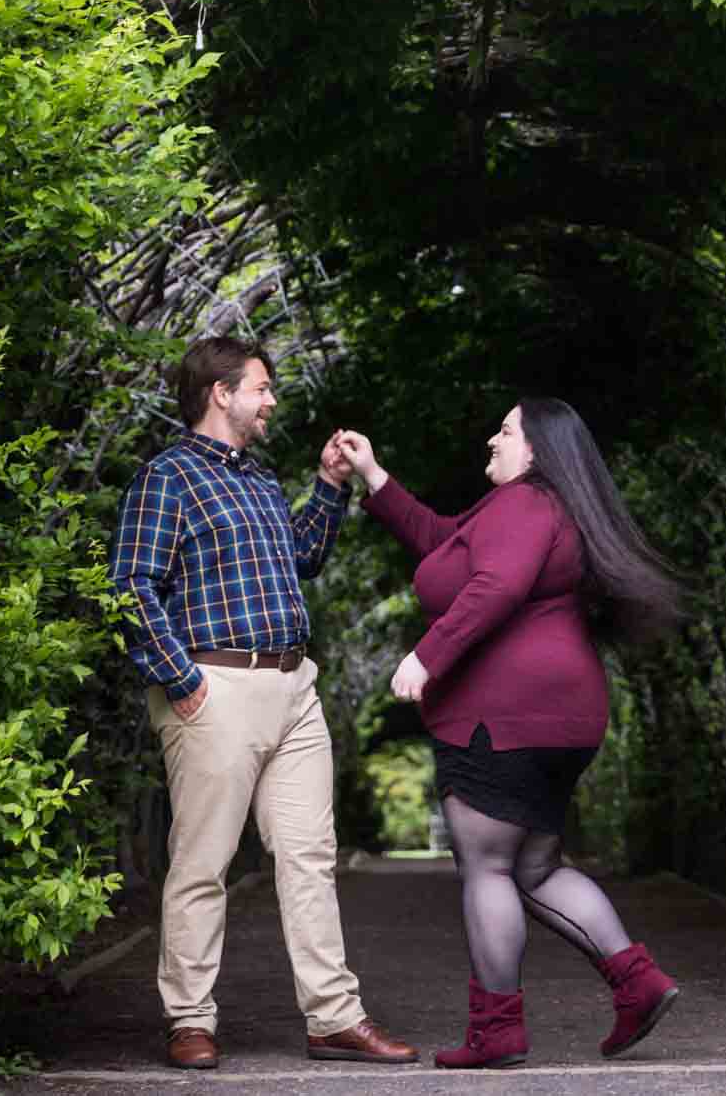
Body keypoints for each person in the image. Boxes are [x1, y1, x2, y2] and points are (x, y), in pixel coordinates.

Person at [337, 399, 684, 1069]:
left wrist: (427, 655)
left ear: (539, 450)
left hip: (503, 714)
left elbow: (495, 584)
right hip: (560, 713)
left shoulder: (527, 505)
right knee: (535, 865)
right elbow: (444, 542)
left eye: (505, 429)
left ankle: (496, 1029)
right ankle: (637, 982)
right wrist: (375, 477)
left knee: (488, 866)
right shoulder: (524, 508)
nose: (491, 437)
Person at [108, 336, 418, 1071]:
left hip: (292, 686)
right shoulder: (167, 479)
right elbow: (129, 585)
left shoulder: (260, 479)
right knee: (202, 862)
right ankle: (189, 1017)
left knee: (309, 857)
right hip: (216, 687)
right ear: (222, 392)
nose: (272, 399)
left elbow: (302, 556)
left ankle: (334, 1017)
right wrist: (182, 679)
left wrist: (329, 482)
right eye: (262, 387)